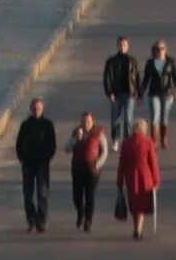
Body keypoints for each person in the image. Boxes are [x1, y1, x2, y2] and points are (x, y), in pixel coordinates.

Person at [15, 98, 57, 233]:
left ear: (42, 109)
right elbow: (19, 144)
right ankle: (31, 219)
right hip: (28, 164)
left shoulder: (47, 124)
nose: (36, 111)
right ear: (30, 109)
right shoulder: (25, 125)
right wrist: (22, 158)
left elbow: (52, 144)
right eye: (34, 108)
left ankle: (41, 221)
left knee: (42, 194)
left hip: (42, 165)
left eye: (38, 108)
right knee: (27, 194)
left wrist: (47, 158)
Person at [116, 120, 159, 241]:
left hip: (130, 177)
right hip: (146, 178)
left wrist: (119, 180)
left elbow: (122, 164)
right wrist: (156, 180)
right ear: (144, 129)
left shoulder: (126, 143)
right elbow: (153, 163)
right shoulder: (148, 142)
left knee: (134, 203)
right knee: (141, 205)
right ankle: (138, 230)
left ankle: (136, 227)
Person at [66, 111, 108, 232]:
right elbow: (66, 148)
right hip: (77, 170)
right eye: (84, 121)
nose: (86, 124)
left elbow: (104, 151)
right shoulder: (76, 133)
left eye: (88, 121)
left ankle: (88, 221)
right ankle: (80, 212)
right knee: (77, 198)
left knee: (90, 197)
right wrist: (76, 139)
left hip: (92, 171)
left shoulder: (98, 134)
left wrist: (98, 164)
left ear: (92, 122)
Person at [141, 41, 176, 148]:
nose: (160, 51)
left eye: (162, 49)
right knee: (155, 116)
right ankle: (153, 140)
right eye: (157, 49)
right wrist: (140, 95)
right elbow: (145, 80)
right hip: (154, 93)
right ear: (154, 50)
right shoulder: (150, 63)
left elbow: (175, 77)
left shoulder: (170, 62)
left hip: (167, 94)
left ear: (166, 50)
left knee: (164, 117)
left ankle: (164, 138)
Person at [103, 37, 141, 147]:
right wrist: (109, 93)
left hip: (130, 93)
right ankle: (115, 139)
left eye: (124, 45)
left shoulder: (132, 60)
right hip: (116, 93)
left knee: (129, 118)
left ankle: (127, 140)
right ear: (117, 46)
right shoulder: (111, 61)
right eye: (120, 45)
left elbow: (137, 77)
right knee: (115, 118)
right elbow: (107, 78)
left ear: (128, 46)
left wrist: (140, 94)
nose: (122, 47)